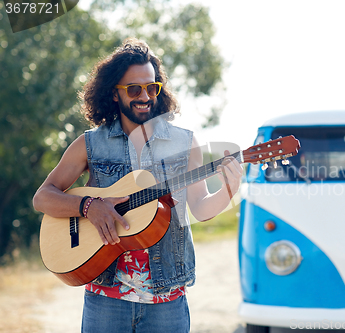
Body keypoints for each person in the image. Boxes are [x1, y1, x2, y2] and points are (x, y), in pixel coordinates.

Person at [32, 38, 242, 333]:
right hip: (105, 299)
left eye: (151, 87)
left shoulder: (184, 142)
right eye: (134, 89)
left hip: (166, 300)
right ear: (114, 94)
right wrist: (88, 206)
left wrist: (229, 190)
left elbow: (201, 207)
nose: (145, 96)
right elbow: (43, 197)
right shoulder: (90, 144)